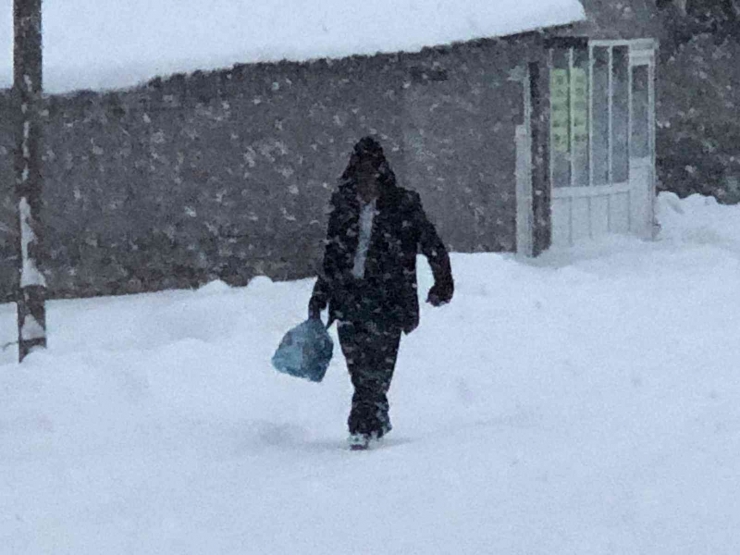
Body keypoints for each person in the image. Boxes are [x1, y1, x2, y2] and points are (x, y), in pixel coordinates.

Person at [309, 136, 454, 450]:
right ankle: (374, 415)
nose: (365, 180)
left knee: (376, 368)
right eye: (359, 173)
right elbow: (332, 255)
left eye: (370, 172)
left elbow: (431, 244)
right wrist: (319, 296)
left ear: (381, 172)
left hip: (388, 300)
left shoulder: (403, 205)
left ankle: (361, 426)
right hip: (348, 299)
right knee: (359, 369)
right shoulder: (343, 205)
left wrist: (443, 281)